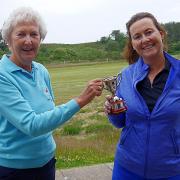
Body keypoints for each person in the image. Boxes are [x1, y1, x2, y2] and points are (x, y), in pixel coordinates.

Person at [0, 7, 103, 180]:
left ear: (41, 39)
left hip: (47, 163)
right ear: (8, 40)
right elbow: (31, 125)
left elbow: (49, 112)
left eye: (34, 34)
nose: (28, 41)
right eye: (21, 34)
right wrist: (81, 100)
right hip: (15, 170)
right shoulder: (3, 75)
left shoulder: (41, 71)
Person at [104, 12, 180, 180]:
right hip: (127, 168)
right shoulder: (125, 76)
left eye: (148, 32)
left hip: (171, 171)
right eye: (137, 36)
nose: (144, 39)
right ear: (133, 44)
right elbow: (119, 123)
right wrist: (113, 111)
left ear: (160, 34)